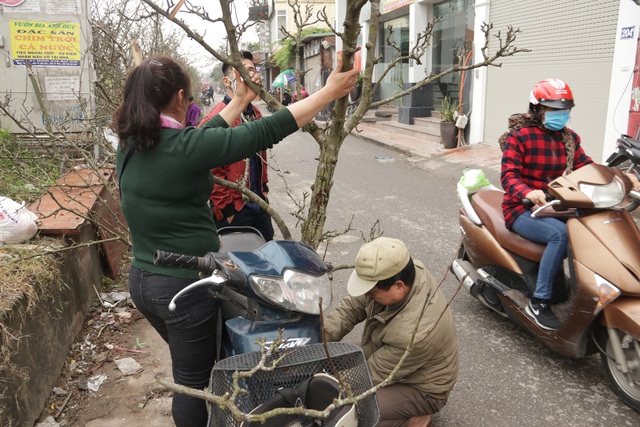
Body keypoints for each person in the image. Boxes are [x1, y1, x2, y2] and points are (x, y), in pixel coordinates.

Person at [112, 55, 358, 427]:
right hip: (183, 286)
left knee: (190, 367)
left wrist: (240, 101)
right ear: (180, 97)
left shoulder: (130, 144)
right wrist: (328, 92)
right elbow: (261, 132)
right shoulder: (182, 147)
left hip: (144, 281)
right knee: (194, 383)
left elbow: (204, 140)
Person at [324, 237, 459, 427]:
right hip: (387, 353)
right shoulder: (402, 271)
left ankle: (415, 418)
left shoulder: (415, 334)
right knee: (332, 357)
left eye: (371, 293)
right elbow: (350, 308)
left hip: (423, 387)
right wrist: (320, 338)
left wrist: (327, 396)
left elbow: (370, 375)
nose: (366, 296)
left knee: (352, 410)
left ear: (399, 286)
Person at [501, 79, 594, 331]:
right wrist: (528, 192)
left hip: (559, 205)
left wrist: (620, 179)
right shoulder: (519, 137)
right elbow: (508, 176)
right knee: (559, 234)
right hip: (521, 208)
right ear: (537, 110)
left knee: (593, 226)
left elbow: (588, 168)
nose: (560, 115)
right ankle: (539, 302)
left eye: (564, 110)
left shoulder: (570, 138)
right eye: (553, 109)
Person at [198, 51, 274, 240]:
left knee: (266, 257)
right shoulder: (218, 117)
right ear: (226, 81)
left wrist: (263, 192)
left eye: (252, 70)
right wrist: (228, 209)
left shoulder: (254, 113)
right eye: (243, 71)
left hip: (259, 204)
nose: (251, 75)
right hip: (234, 211)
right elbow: (209, 169)